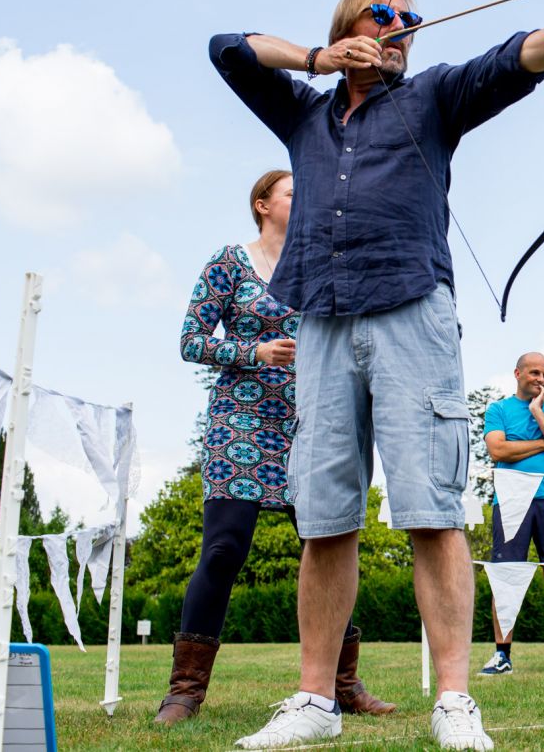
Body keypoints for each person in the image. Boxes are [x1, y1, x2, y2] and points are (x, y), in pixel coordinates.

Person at [213, 0, 544, 750]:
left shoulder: (434, 95)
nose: (406, 28)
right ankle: (314, 700)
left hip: (413, 312)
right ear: (352, 26)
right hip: (323, 319)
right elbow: (229, 50)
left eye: (414, 21)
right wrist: (318, 58)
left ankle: (453, 699)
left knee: (433, 511)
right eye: (388, 16)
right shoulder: (303, 115)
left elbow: (518, 58)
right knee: (327, 520)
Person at [160, 170, 394, 726]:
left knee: (330, 548)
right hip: (240, 421)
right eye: (294, 192)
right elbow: (191, 341)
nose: (305, 199)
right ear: (263, 205)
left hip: (312, 419)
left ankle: (343, 685)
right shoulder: (228, 263)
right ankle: (185, 691)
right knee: (223, 550)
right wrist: (254, 351)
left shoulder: (321, 262)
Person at [478, 352, 544, 678]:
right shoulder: (498, 410)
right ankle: (502, 656)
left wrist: (537, 412)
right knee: (506, 577)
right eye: (535, 373)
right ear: (518, 373)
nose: (541, 379)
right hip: (510, 501)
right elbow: (498, 451)